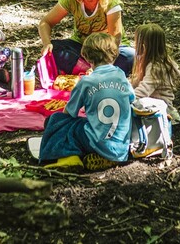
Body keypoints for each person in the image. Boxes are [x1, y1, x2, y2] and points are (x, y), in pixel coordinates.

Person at [37, 33, 135, 170]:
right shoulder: (121, 76)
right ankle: (107, 156)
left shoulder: (86, 82)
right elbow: (132, 98)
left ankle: (67, 157)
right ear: (114, 54)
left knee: (56, 120)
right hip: (122, 146)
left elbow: (68, 113)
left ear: (87, 57)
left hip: (98, 141)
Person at [38, 0, 135, 75]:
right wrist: (46, 44)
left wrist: (105, 63)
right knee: (54, 49)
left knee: (131, 56)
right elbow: (45, 22)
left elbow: (115, 40)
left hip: (108, 50)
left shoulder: (111, 1)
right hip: (82, 47)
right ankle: (90, 70)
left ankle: (87, 69)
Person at [130, 23, 180, 124]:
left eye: (136, 42)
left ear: (143, 46)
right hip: (155, 106)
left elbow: (143, 92)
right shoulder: (154, 62)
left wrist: (124, 98)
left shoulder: (156, 67)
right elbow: (136, 81)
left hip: (160, 110)